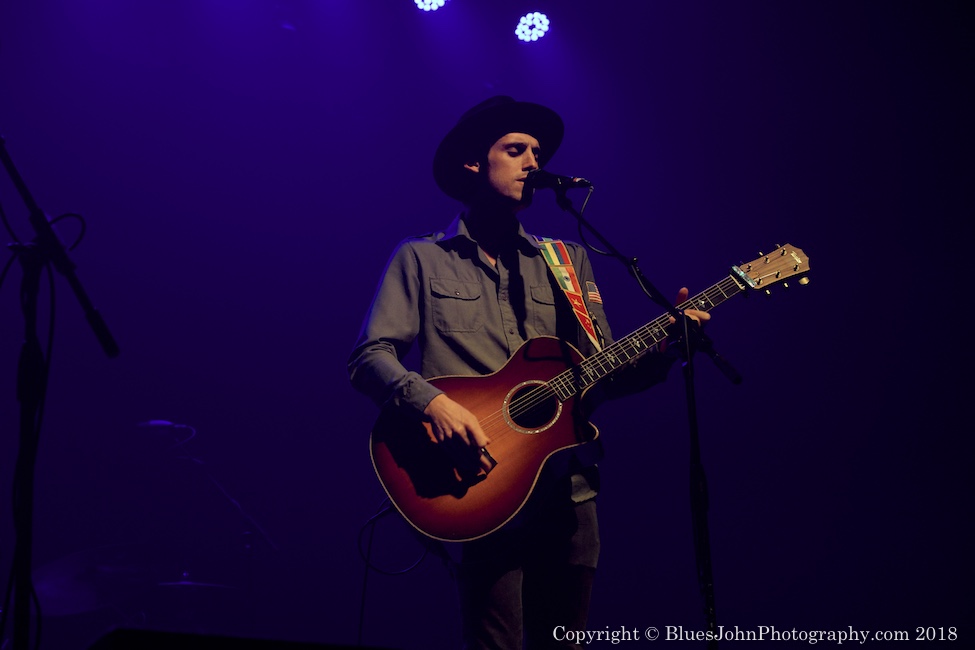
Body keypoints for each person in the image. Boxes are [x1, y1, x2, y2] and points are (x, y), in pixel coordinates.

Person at [348, 95, 709, 649]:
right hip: (481, 482)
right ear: (474, 162)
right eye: (516, 150)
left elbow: (603, 372)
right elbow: (370, 355)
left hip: (571, 489)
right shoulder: (421, 258)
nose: (533, 163)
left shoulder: (567, 261)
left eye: (537, 153)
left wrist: (666, 349)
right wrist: (431, 403)